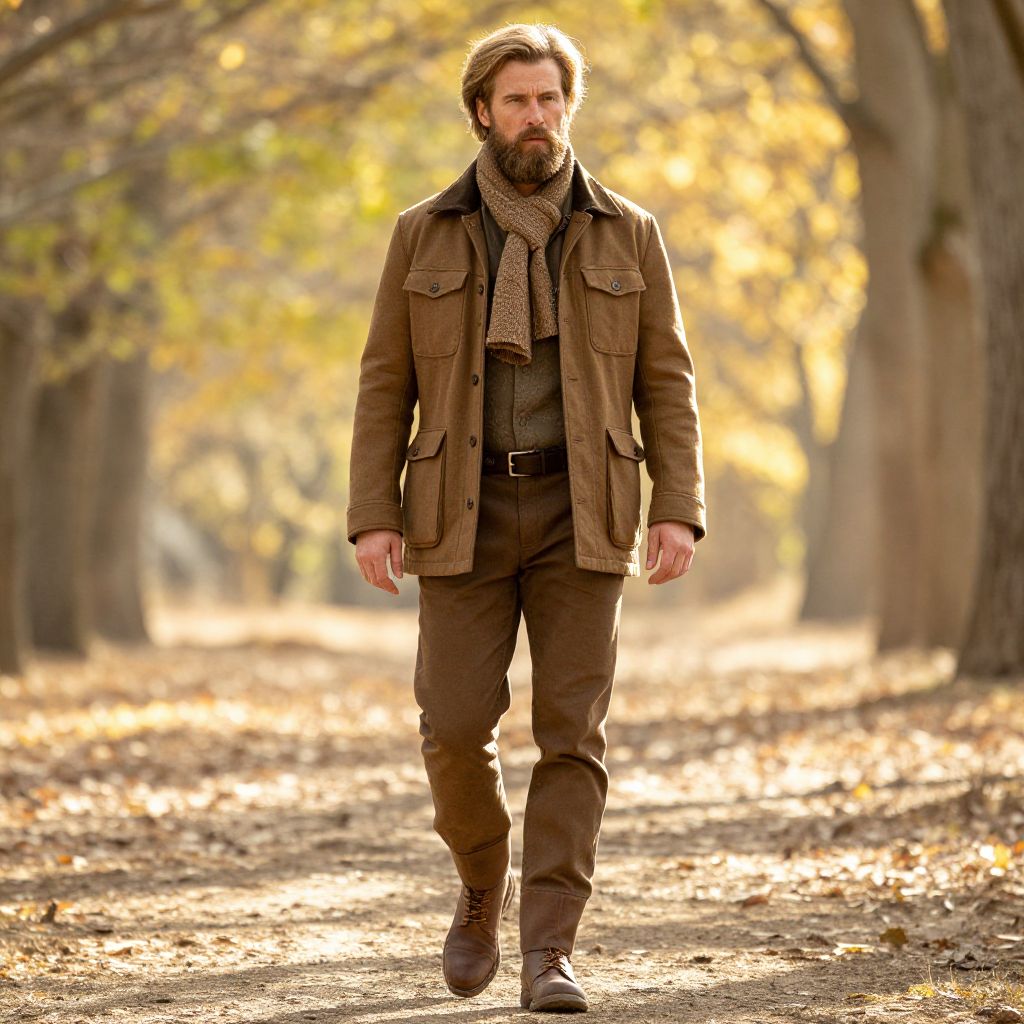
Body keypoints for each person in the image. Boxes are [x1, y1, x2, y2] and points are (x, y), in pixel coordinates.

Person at [346, 22, 705, 1013]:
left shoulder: (626, 232)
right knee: (454, 726)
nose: (536, 118)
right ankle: (478, 881)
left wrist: (678, 507)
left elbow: (664, 381)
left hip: (581, 510)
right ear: (480, 112)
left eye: (549, 99)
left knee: (571, 732)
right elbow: (386, 382)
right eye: (517, 100)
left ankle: (549, 949)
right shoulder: (425, 232)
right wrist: (373, 513)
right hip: (458, 509)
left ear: (567, 108)